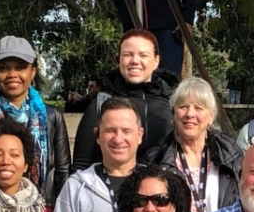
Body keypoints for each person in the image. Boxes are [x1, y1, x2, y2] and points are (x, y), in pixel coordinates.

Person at [0, 36, 70, 207]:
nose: (12, 75)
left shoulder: (51, 116)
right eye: (4, 68)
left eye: (20, 67)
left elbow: (62, 171)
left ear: (33, 71)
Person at [73, 29, 178, 170]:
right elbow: (81, 164)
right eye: (127, 55)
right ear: (119, 59)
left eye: (143, 55)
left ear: (156, 61)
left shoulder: (174, 102)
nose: (135, 61)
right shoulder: (102, 103)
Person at [143, 76, 241, 212]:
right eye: (183, 107)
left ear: (211, 116)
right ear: (174, 114)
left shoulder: (232, 155)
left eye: (198, 108)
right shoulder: (156, 158)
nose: (190, 114)